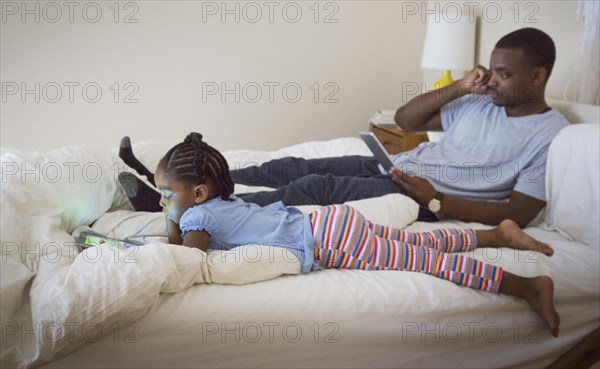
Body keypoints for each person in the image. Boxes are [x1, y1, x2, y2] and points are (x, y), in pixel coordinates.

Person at [118, 132, 560, 337]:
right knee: (420, 242)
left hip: (328, 240)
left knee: (427, 259)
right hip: (331, 224)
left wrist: (167, 223)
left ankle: (525, 286)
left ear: (197, 193)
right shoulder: (220, 203)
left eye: (165, 194)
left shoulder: (196, 220)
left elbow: (185, 259)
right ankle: (497, 237)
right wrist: (169, 207)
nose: (164, 202)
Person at [227, 27, 570, 227]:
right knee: (296, 167)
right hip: (396, 167)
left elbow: (519, 213)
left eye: (504, 74)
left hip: (420, 196)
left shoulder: (551, 134)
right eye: (492, 70)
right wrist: (461, 86)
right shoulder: (482, 100)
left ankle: (215, 213)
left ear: (537, 76)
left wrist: (436, 199)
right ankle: (217, 180)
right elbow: (406, 120)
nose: (492, 81)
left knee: (315, 186)